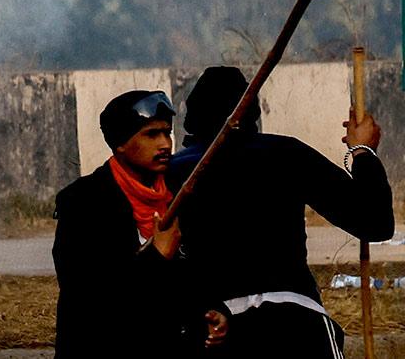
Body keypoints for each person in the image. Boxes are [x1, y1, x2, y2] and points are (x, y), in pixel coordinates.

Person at [169, 65, 395, 358]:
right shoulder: (286, 154)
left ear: (192, 117)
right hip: (297, 324)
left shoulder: (174, 172)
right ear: (253, 113)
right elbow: (375, 221)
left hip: (215, 330)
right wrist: (362, 151)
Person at [53, 89, 228, 358]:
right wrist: (157, 256)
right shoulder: (83, 203)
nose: (164, 144)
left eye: (166, 133)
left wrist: (215, 312)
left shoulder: (179, 194)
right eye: (150, 134)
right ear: (120, 143)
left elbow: (200, 274)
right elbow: (90, 296)